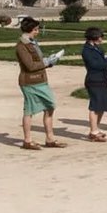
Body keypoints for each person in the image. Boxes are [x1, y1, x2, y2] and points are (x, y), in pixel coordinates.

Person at [15, 16, 67, 150]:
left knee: (50, 106)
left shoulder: (33, 43)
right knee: (29, 110)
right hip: (29, 82)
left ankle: (50, 138)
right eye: (36, 29)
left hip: (41, 80)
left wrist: (50, 61)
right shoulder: (22, 46)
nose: (37, 32)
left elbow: (38, 61)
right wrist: (46, 62)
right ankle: (27, 140)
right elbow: (30, 65)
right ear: (30, 30)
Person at [81, 25, 107, 141]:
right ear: (93, 37)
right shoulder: (86, 50)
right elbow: (95, 65)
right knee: (95, 105)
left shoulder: (98, 48)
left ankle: (96, 128)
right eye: (100, 37)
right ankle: (93, 131)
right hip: (93, 80)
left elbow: (102, 60)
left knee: (102, 105)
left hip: (102, 79)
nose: (101, 39)